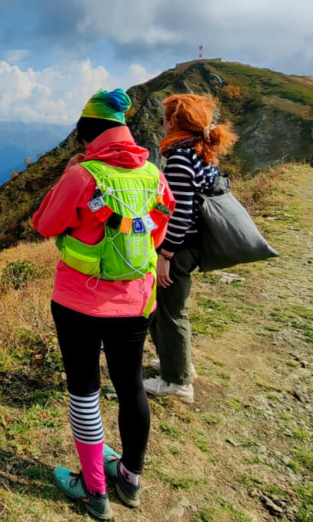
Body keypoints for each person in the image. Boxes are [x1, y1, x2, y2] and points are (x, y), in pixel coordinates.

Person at [33, 89, 175, 519]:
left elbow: (44, 225)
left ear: (87, 133)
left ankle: (95, 491)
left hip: (79, 302)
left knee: (84, 390)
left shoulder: (83, 176)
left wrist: (69, 178)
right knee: (130, 385)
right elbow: (157, 232)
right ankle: (131, 479)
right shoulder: (153, 174)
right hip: (134, 302)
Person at [144, 94, 238, 403]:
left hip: (179, 248)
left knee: (169, 311)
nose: (162, 123)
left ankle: (177, 381)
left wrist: (166, 256)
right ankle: (176, 362)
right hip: (194, 243)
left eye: (166, 118)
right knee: (166, 309)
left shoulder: (182, 158)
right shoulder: (202, 153)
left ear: (176, 122)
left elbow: (179, 213)